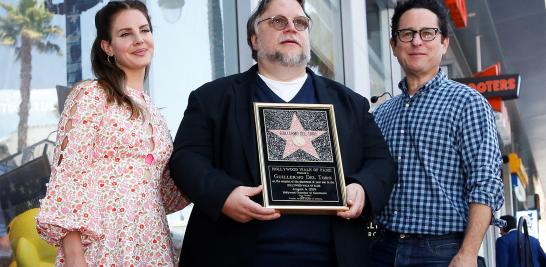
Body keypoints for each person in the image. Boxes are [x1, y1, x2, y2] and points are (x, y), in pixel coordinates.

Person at [169, 0, 396, 266]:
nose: (291, 28)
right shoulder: (211, 99)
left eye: (300, 22)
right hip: (234, 254)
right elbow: (186, 159)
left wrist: (362, 188)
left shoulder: (351, 104)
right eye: (278, 21)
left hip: (331, 258)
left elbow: (381, 163)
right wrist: (224, 195)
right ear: (254, 39)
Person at [36, 1, 189, 266]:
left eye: (144, 30)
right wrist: (74, 256)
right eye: (126, 34)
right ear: (108, 46)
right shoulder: (92, 95)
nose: (139, 40)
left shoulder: (153, 111)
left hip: (151, 242)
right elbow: (70, 177)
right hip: (103, 241)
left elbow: (165, 193)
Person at [371, 0, 504, 266]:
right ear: (393, 45)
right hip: (382, 249)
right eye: (406, 34)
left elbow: (485, 183)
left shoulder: (468, 103)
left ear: (444, 43)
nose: (416, 42)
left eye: (427, 33)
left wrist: (467, 254)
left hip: (442, 252)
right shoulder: (382, 113)